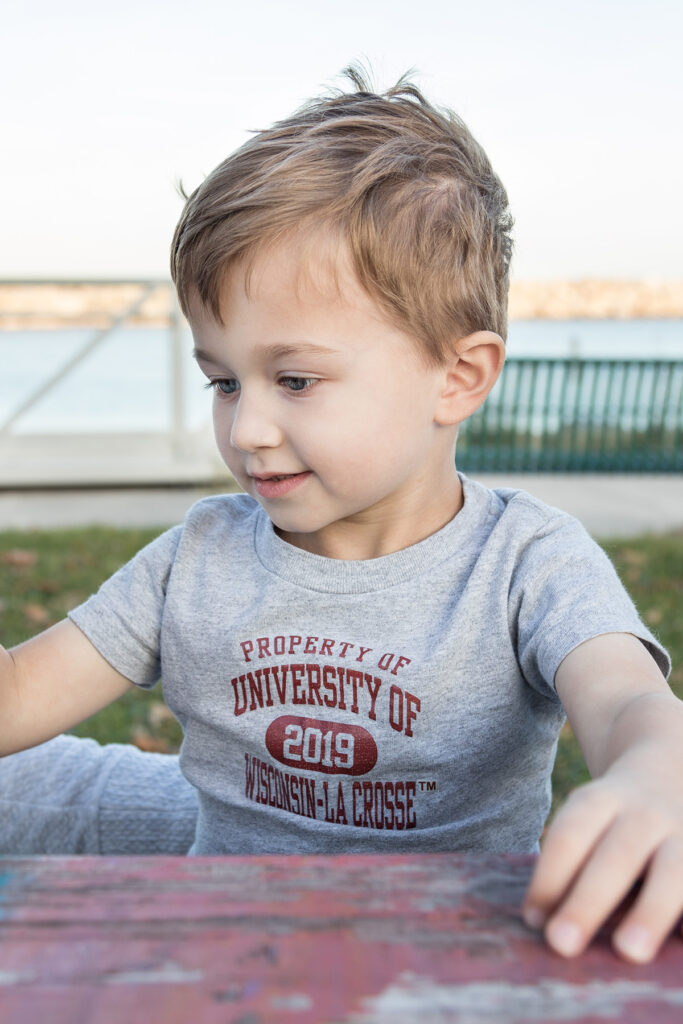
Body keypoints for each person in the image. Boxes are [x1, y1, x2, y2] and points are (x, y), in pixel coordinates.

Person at [2, 67, 681, 965]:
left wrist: (659, 772)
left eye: (294, 380)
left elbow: (630, 698)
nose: (247, 428)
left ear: (458, 376)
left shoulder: (526, 563)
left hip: (444, 947)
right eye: (222, 380)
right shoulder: (197, 556)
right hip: (223, 940)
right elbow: (19, 694)